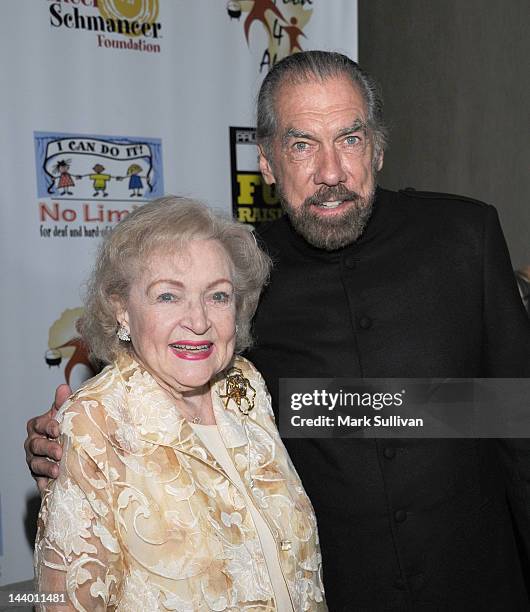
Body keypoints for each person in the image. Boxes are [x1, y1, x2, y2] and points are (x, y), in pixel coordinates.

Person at [26, 51, 530, 610]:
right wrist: (73, 441)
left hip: (479, 584)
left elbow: (515, 422)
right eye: (301, 144)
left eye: (350, 138)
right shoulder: (237, 275)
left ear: (378, 148)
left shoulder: (465, 235)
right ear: (266, 161)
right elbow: (157, 389)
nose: (331, 173)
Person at [33, 196, 326, 611]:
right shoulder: (93, 425)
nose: (199, 320)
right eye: (169, 296)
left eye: (218, 296)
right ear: (122, 309)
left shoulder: (244, 386)